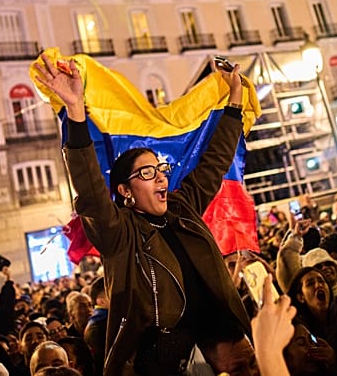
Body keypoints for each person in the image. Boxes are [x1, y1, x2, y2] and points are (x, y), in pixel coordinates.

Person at [32, 54, 253, 376]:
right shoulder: (120, 234)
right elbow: (91, 190)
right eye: (148, 173)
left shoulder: (183, 208)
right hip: (163, 363)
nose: (162, 178)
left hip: (229, 337)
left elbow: (215, 161)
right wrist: (76, 112)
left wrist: (234, 98)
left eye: (161, 170)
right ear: (125, 190)